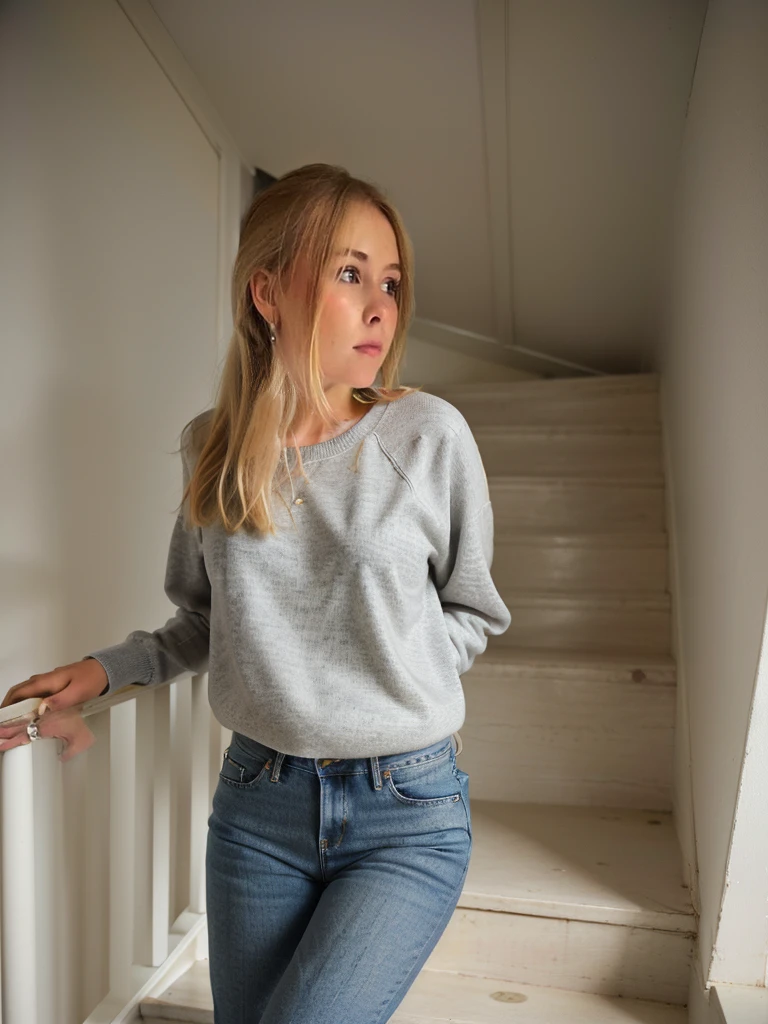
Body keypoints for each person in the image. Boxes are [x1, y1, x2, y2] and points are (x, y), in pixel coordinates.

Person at [0, 163, 511, 1023]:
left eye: (390, 281)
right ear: (267, 292)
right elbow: (203, 621)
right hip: (256, 810)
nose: (381, 304)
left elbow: (473, 610)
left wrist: (398, 669)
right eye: (351, 273)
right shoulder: (217, 445)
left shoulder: (427, 434)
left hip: (406, 813)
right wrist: (106, 670)